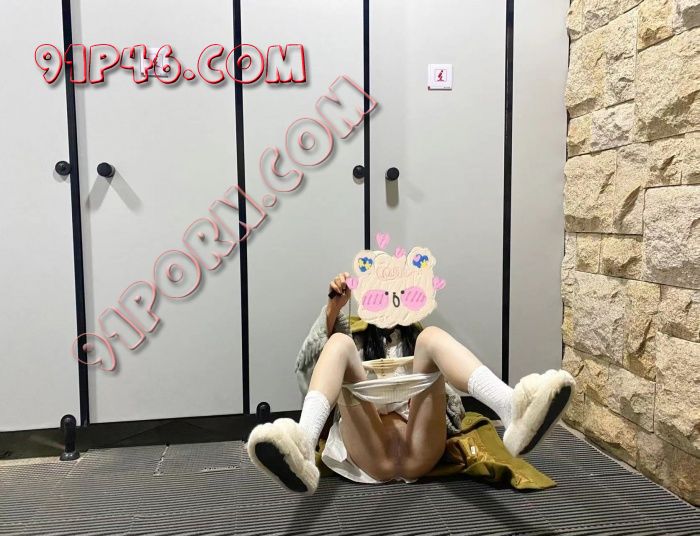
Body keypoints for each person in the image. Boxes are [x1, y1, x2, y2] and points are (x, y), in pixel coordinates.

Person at [247, 271, 575, 495]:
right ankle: (303, 447)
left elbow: (449, 403)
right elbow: (308, 371)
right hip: (373, 452)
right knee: (338, 344)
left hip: (419, 448)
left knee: (431, 337)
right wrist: (334, 307)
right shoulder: (351, 336)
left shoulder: (417, 338)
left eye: (396, 293)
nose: (388, 300)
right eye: (380, 293)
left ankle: (511, 407)